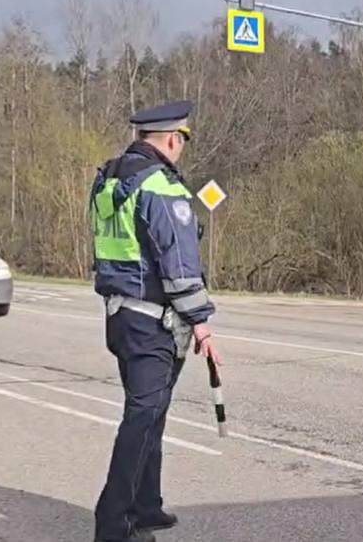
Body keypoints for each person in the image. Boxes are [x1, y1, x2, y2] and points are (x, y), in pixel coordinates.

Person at [89, 100, 221, 542]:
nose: (181, 147)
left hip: (121, 314)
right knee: (143, 416)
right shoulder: (160, 187)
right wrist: (200, 321)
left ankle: (147, 506)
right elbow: (179, 262)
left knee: (151, 413)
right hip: (153, 322)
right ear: (171, 139)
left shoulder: (109, 179)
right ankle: (114, 522)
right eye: (182, 139)